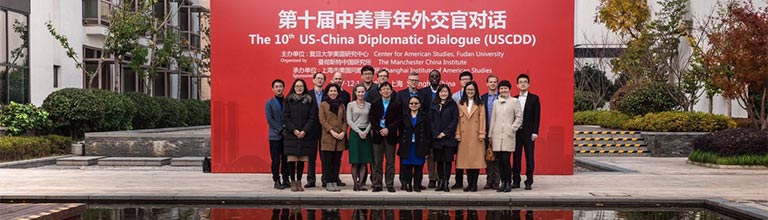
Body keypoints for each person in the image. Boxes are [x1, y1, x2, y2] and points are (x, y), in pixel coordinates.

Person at [396, 72, 431, 190]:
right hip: (406, 140)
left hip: (419, 141)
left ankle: (417, 184)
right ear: (408, 81)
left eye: (416, 80)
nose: (414, 82)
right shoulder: (400, 94)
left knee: (418, 166)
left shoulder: (424, 94)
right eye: (411, 80)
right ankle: (405, 183)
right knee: (405, 165)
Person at [282, 79, 318, 192]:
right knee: (292, 160)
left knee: (301, 160)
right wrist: (294, 130)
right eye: (297, 86)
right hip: (292, 135)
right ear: (294, 87)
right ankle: (292, 181)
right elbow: (286, 117)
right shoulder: (288, 100)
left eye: (301, 86)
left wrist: (304, 131)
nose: (299, 88)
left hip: (305, 135)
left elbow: (312, 117)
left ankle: (299, 181)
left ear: (304, 87)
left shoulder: (309, 100)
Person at [488, 80, 523, 193]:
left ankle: (508, 182)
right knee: (499, 161)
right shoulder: (496, 103)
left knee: (506, 160)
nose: (503, 90)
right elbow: (493, 119)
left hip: (508, 135)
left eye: (505, 88)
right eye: (501, 88)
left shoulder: (514, 101)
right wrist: (490, 135)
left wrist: (512, 128)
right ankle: (502, 182)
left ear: (509, 89)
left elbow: (519, 117)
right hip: (497, 135)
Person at [369, 82, 401, 193]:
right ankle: (377, 184)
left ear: (391, 91)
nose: (386, 91)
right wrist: (379, 129)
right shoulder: (375, 103)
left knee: (390, 162)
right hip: (378, 136)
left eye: (388, 89)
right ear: (380, 91)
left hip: (390, 136)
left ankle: (389, 184)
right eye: (383, 89)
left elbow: (398, 120)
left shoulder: (396, 104)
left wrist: (388, 129)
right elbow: (371, 118)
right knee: (377, 161)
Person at [455, 81, 486, 192]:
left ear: (476, 91)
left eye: (472, 90)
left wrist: (482, 133)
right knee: (466, 161)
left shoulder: (480, 103)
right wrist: (457, 133)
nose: (470, 92)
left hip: (476, 135)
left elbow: (482, 119)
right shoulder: (460, 103)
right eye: (468, 90)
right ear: (465, 91)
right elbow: (457, 120)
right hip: (463, 136)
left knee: (475, 161)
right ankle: (469, 184)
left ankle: (474, 184)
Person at [513, 73, 541, 190]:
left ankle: (529, 180)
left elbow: (537, 116)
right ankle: (515, 181)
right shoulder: (513, 99)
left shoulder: (534, 98)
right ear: (517, 85)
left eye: (525, 82)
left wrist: (535, 132)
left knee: (529, 158)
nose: (523, 84)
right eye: (520, 82)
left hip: (529, 133)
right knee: (516, 158)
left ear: (528, 84)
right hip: (516, 133)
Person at [429, 84, 459, 192]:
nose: (443, 94)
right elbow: (431, 120)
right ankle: (440, 181)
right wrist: (436, 133)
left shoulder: (452, 104)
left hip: (448, 138)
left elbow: (454, 120)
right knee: (439, 161)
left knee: (448, 161)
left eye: (445, 92)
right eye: (441, 92)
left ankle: (446, 182)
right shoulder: (434, 104)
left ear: (448, 93)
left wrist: (445, 133)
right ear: (438, 93)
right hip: (437, 138)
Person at [319, 83, 347, 192]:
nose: (333, 93)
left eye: (335, 91)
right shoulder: (323, 104)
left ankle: (335, 181)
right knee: (327, 162)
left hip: (340, 138)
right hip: (328, 137)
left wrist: (343, 132)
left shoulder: (342, 105)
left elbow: (344, 120)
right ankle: (328, 182)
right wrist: (331, 131)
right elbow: (322, 120)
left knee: (336, 161)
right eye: (331, 91)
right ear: (327, 92)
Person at [347, 84, 373, 191]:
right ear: (355, 92)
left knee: (364, 161)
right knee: (355, 161)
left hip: (366, 134)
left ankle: (362, 183)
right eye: (359, 92)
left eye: (363, 92)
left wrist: (366, 131)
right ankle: (355, 183)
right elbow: (349, 120)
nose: (361, 94)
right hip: (355, 134)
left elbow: (371, 120)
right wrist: (359, 131)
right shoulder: (350, 105)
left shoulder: (369, 105)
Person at [418, 69, 441, 189]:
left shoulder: (444, 91)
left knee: (441, 154)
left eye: (437, 76)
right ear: (428, 79)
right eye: (432, 76)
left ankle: (441, 178)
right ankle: (432, 178)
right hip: (427, 128)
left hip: (440, 128)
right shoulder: (423, 92)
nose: (434, 78)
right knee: (430, 155)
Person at [265, 79, 290, 189]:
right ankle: (276, 180)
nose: (279, 88)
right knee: (275, 160)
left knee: (286, 159)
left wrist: (286, 128)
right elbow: (270, 119)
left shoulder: (287, 101)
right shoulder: (269, 103)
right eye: (276, 86)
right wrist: (280, 129)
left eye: (280, 86)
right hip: (275, 136)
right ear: (273, 89)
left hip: (287, 135)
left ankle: (286, 179)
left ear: (283, 88)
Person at [450, 71, 472, 189]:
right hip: (457, 130)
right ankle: (458, 181)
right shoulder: (454, 96)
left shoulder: (476, 96)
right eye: (463, 79)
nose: (465, 81)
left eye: (467, 79)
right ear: (460, 81)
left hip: (471, 132)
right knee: (459, 157)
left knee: (470, 156)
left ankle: (470, 181)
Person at [305, 72, 325, 188]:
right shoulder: (308, 94)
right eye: (318, 78)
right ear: (313, 80)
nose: (319, 80)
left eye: (322, 79)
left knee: (324, 156)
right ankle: (311, 180)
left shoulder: (327, 94)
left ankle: (325, 179)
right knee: (311, 156)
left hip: (324, 129)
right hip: (311, 129)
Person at [480, 75, 500, 189]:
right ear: (487, 84)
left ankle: (497, 181)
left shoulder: (501, 97)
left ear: (497, 84)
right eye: (490, 82)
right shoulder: (482, 98)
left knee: (497, 158)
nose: (492, 84)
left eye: (494, 82)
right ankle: (489, 181)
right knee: (488, 156)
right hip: (486, 130)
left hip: (498, 131)